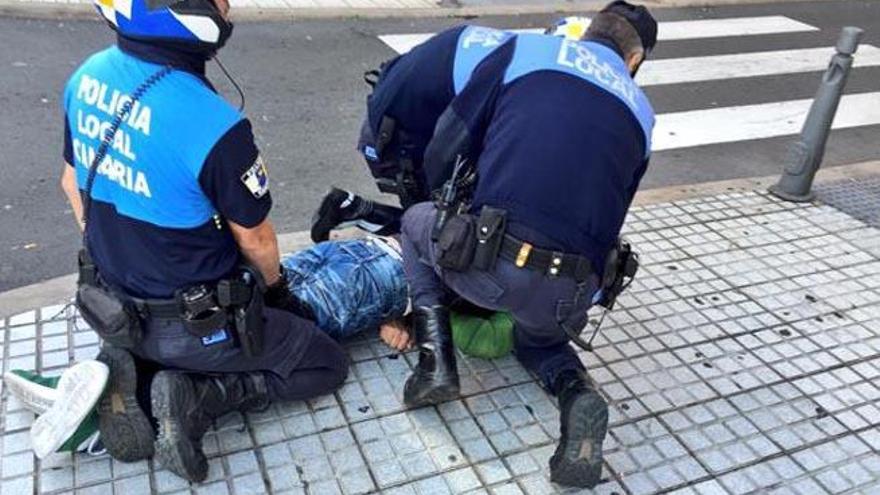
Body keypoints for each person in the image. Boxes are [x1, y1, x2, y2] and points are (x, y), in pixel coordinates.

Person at [60, 0, 348, 482]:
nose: (228, 6)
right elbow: (255, 237)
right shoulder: (213, 123)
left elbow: (71, 186)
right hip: (195, 325)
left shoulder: (86, 76)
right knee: (324, 364)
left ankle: (138, 363)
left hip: (111, 302)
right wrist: (277, 294)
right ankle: (197, 395)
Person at [397, 2, 657, 488]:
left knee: (413, 224)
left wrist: (444, 208)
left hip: (490, 258)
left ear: (586, 33)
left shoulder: (525, 51)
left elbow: (452, 137)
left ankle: (436, 363)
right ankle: (576, 393)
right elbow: (614, 217)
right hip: (570, 290)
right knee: (538, 338)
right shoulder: (643, 114)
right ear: (634, 61)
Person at [309, 23, 519, 243]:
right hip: (396, 136)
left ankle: (352, 208)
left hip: (395, 110)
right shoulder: (515, 83)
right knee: (442, 236)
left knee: (450, 220)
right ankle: (353, 212)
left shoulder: (522, 56)